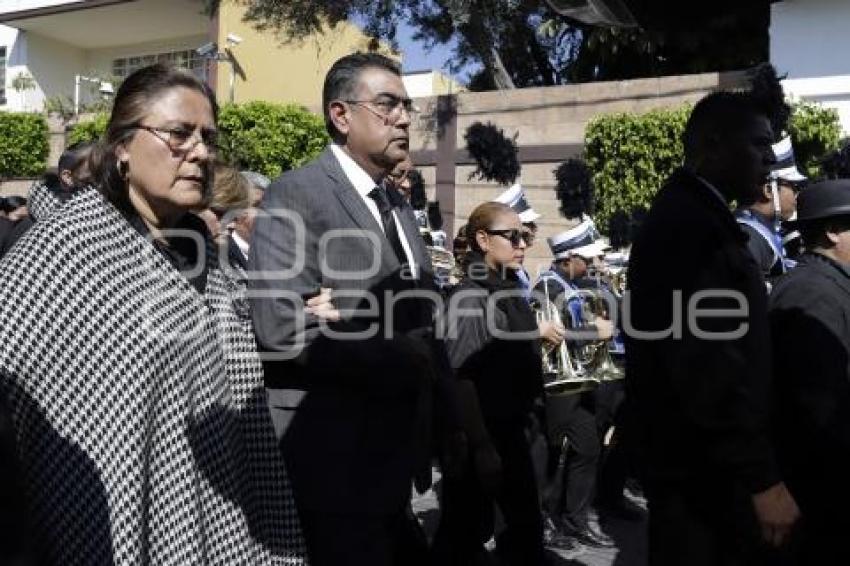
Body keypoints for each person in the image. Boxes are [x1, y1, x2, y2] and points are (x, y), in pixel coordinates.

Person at [0, 63, 307, 564]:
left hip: (222, 527)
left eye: (208, 137)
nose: (201, 151)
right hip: (103, 528)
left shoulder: (206, 255)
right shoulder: (64, 249)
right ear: (122, 146)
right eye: (178, 134)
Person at [249, 52, 448, 566]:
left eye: (407, 106)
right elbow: (282, 325)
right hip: (332, 461)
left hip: (394, 455)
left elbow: (418, 311)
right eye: (387, 105)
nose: (404, 118)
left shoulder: (397, 204)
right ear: (342, 116)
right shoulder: (297, 193)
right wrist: (393, 348)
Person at [626, 91, 800, 566]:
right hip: (702, 478)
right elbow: (707, 365)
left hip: (705, 471)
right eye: (759, 144)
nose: (769, 159)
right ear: (714, 145)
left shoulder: (701, 214)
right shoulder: (689, 227)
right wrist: (761, 477)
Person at [435, 201, 551, 565]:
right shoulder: (471, 298)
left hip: (513, 430)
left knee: (510, 533)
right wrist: (483, 446)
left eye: (526, 236)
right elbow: (461, 379)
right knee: (464, 537)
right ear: (483, 240)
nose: (522, 244)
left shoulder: (506, 289)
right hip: (484, 437)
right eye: (513, 236)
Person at [769, 179, 850, 564]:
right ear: (833, 232)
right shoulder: (813, 293)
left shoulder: (828, 284)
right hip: (821, 496)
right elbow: (820, 412)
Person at [533, 221, 616, 548]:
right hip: (557, 386)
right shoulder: (547, 287)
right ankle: (541, 522)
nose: (594, 264)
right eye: (588, 258)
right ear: (569, 258)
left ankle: (575, 520)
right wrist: (597, 333)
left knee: (588, 448)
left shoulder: (567, 286)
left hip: (578, 383)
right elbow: (554, 336)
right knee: (550, 455)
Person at [734, 135, 805, 284]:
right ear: (768, 190)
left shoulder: (758, 230)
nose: (796, 194)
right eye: (794, 187)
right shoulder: (749, 237)